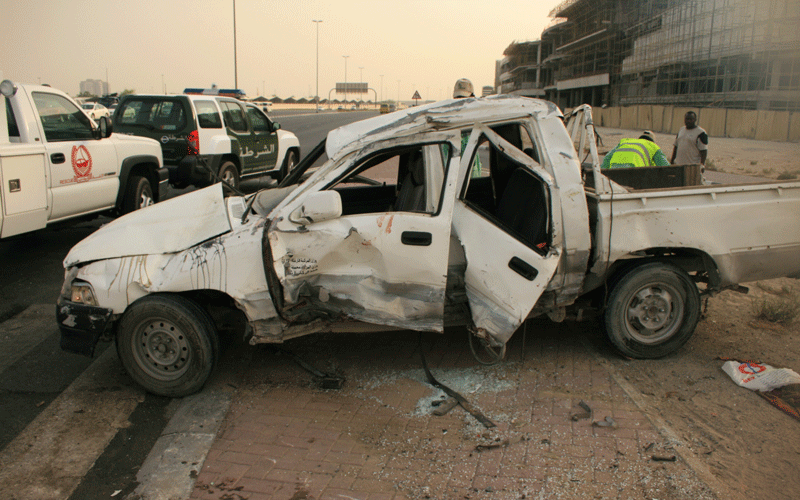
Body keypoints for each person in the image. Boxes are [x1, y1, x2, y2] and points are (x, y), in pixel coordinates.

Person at [452, 78, 481, 176]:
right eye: (458, 98)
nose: (461, 101)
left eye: (463, 98)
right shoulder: (451, 123)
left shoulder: (476, 119)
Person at [600, 130, 671, 169]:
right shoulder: (653, 146)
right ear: (653, 141)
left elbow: (607, 158)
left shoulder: (625, 141)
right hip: (634, 171)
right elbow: (665, 167)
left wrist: (601, 172)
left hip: (614, 168)